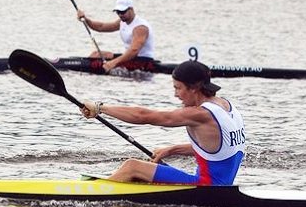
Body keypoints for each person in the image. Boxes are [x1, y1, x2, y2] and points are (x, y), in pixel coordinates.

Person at [81, 60, 246, 185]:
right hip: (220, 185)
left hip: (205, 187)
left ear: (194, 88)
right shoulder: (226, 106)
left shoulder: (200, 114)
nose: (175, 94)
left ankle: (93, 192)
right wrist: (171, 150)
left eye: (178, 88)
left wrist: (100, 108)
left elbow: (143, 116)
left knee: (132, 166)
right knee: (142, 173)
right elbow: (217, 150)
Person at [76, 0, 155, 73]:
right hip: (130, 58)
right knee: (96, 54)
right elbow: (101, 27)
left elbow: (134, 51)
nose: (120, 15)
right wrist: (86, 19)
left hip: (143, 61)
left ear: (131, 9)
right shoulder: (122, 22)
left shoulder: (140, 28)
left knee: (99, 62)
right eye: (118, 12)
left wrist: (112, 63)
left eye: (122, 12)